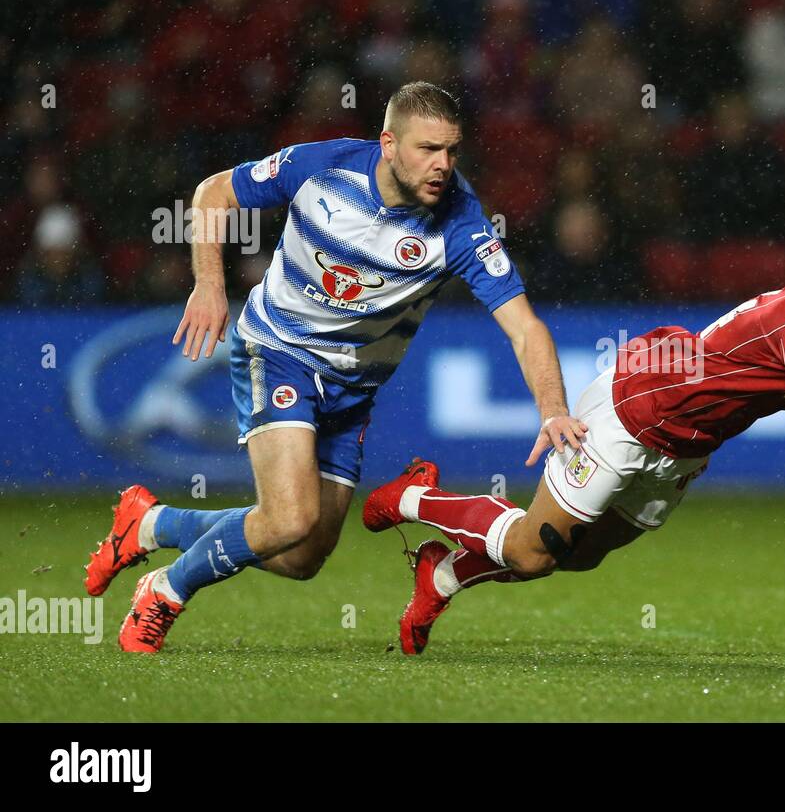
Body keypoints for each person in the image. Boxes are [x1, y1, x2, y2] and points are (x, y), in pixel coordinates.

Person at [362, 206, 785, 654]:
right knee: (535, 550)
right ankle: (413, 497)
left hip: (685, 448)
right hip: (635, 409)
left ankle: (440, 576)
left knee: (578, 556)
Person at [85, 82, 586, 653]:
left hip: (351, 391)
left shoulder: (462, 224)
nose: (442, 165)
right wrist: (207, 283)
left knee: (300, 556)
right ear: (388, 144)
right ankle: (164, 593)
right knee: (289, 518)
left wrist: (552, 409)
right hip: (278, 353)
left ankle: (150, 524)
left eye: (452, 150)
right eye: (427, 150)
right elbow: (212, 194)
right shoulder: (320, 166)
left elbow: (525, 328)